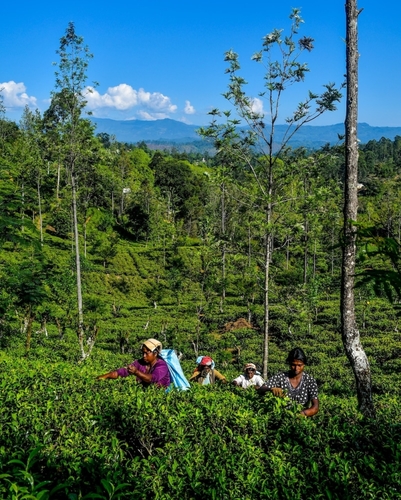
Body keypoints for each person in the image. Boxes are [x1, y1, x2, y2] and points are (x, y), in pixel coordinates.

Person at [259, 347, 319, 417]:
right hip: (280, 417)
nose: (296, 368)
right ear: (289, 364)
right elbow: (261, 389)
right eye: (293, 365)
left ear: (304, 365)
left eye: (299, 365)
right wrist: (271, 389)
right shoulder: (280, 377)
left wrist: (301, 414)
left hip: (301, 418)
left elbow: (315, 407)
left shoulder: (309, 381)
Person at [97, 338, 171, 388]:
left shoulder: (162, 366)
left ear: (155, 353)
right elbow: (121, 372)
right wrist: (102, 377)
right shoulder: (140, 363)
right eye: (143, 353)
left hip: (160, 396)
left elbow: (151, 379)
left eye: (146, 353)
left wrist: (136, 372)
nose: (144, 356)